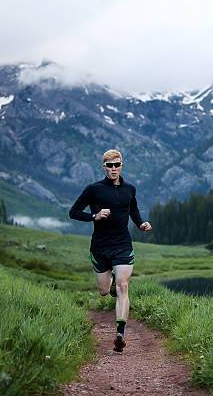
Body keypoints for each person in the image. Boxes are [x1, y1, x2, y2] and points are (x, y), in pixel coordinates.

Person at [69, 149, 152, 352]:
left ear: (122, 165)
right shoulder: (93, 189)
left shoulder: (130, 189)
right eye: (110, 165)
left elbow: (133, 210)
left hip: (123, 244)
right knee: (105, 291)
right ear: (104, 167)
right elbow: (73, 212)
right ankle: (111, 284)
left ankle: (120, 334)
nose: (114, 168)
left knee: (124, 285)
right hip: (100, 247)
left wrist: (141, 224)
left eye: (117, 164)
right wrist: (94, 216)